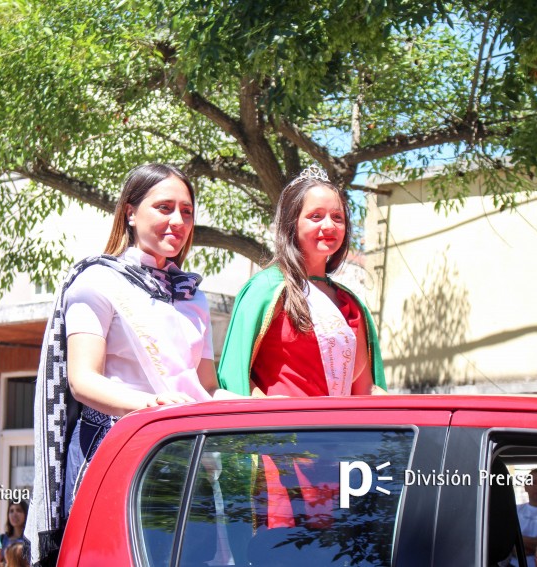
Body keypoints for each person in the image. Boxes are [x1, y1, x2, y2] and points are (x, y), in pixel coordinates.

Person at [26, 163, 241, 566]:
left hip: (187, 460)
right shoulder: (97, 282)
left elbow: (206, 388)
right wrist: (153, 408)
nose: (178, 220)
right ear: (129, 211)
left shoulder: (193, 296)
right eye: (164, 207)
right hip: (120, 455)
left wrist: (258, 405)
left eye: (187, 211)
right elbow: (83, 381)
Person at [218, 164, 387, 397]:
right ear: (291, 223)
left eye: (337, 217)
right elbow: (236, 377)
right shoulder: (267, 288)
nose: (329, 225)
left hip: (341, 431)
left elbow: (365, 389)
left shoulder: (349, 303)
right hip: (284, 429)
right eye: (315, 216)